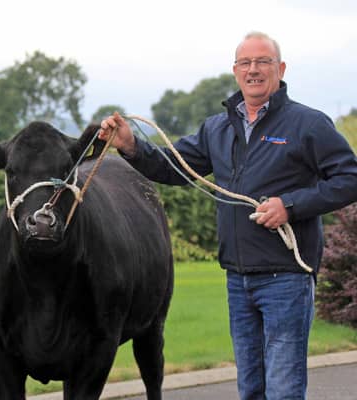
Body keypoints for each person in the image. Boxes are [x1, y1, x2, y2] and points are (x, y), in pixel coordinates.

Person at [100, 31, 357, 400]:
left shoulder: (308, 124)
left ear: (280, 69)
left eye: (263, 62)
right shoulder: (217, 128)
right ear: (235, 71)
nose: (253, 70)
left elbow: (350, 179)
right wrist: (131, 146)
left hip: (286, 278)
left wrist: (291, 205)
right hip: (238, 279)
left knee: (283, 391)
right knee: (250, 389)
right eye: (245, 63)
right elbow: (174, 166)